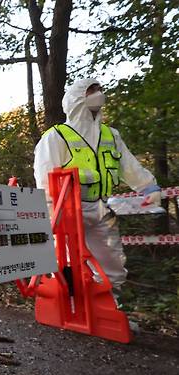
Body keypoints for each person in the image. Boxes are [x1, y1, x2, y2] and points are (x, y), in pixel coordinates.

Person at [33, 78, 161, 306]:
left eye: (100, 90)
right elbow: (44, 178)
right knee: (69, 261)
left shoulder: (110, 135)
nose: (99, 94)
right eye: (92, 91)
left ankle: (109, 310)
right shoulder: (56, 136)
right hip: (68, 208)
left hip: (100, 206)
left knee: (111, 261)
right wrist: (51, 211)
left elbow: (129, 166)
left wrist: (147, 187)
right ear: (77, 99)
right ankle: (70, 307)